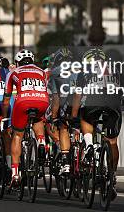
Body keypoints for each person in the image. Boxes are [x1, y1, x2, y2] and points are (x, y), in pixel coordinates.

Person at [71, 48, 123, 200]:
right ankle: (112, 177)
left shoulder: (85, 70)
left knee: (85, 118)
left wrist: (74, 117)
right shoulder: (114, 69)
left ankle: (88, 146)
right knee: (112, 141)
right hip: (113, 102)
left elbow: (78, 95)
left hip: (94, 100)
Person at [2, 49, 49, 185]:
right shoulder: (41, 71)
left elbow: (6, 100)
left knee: (17, 136)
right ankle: (41, 142)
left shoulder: (14, 73)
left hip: (23, 102)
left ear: (17, 63)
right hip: (42, 101)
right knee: (38, 119)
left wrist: (5, 117)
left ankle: (15, 175)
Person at [48, 47, 77, 175]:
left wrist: (54, 117)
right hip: (83, 102)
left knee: (63, 127)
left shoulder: (55, 72)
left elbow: (56, 98)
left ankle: (65, 162)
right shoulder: (79, 69)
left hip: (67, 104)